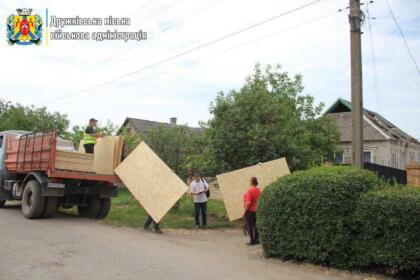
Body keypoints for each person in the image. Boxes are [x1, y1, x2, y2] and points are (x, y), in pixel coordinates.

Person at [243, 177, 261, 246]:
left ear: (251, 182)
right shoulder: (259, 190)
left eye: (250, 180)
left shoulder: (249, 191)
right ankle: (257, 240)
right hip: (257, 210)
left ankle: (252, 241)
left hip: (250, 211)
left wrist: (244, 212)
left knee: (249, 226)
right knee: (256, 226)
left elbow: (248, 203)